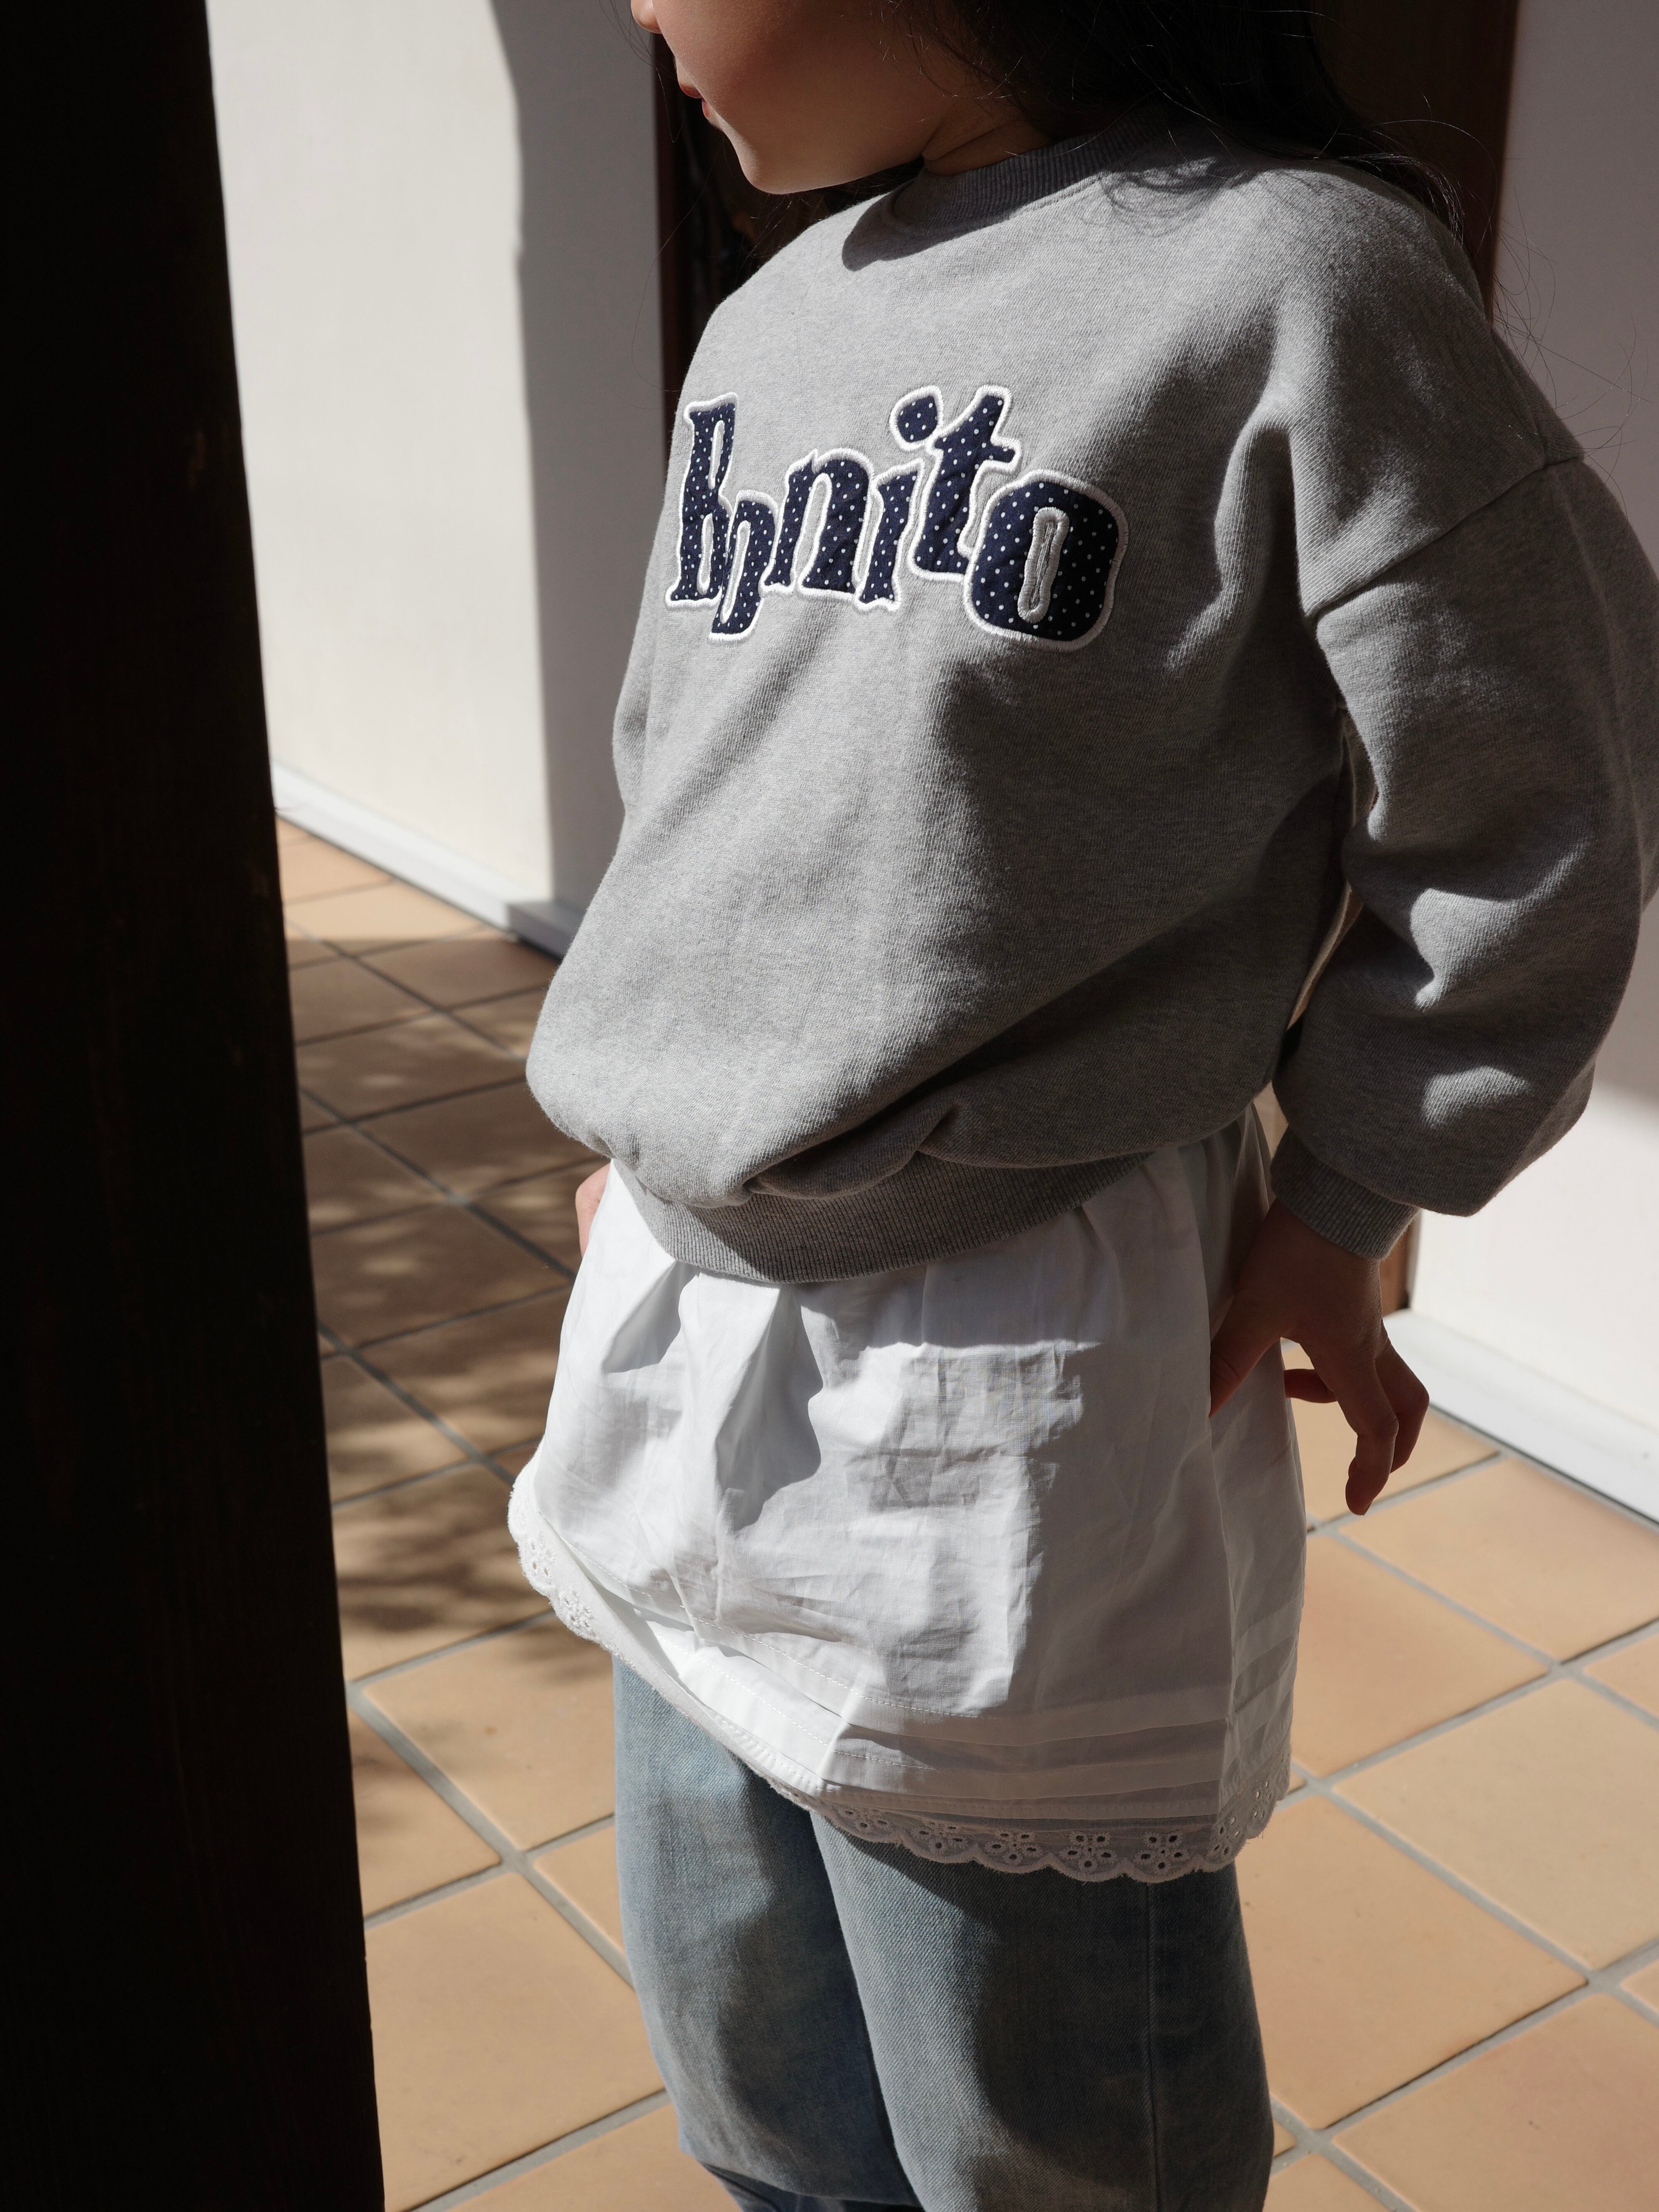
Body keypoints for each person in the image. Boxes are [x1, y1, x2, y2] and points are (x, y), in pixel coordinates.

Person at [507, 3, 1659, 2205]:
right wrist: (650, 1124)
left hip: (1004, 1355)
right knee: (753, 2072)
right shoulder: (768, 322)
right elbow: (699, 784)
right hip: (672, 1322)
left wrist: (1351, 1192)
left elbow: (1544, 792)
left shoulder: (1291, 283)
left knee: (1038, 2130)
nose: (630, 6)